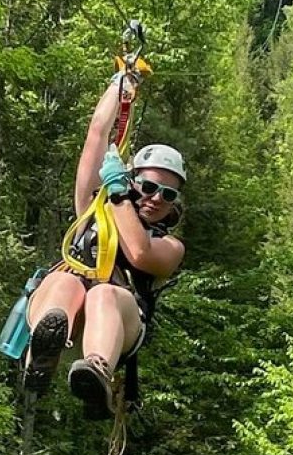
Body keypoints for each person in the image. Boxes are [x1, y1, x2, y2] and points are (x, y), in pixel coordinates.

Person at [22, 71, 186, 419]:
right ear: (133, 179)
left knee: (103, 294)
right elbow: (97, 133)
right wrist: (120, 85)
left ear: (174, 204)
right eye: (149, 186)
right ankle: (42, 351)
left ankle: (96, 370)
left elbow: (139, 252)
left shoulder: (168, 245)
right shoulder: (92, 209)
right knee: (65, 280)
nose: (156, 198)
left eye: (168, 195)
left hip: (116, 326)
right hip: (68, 313)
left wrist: (118, 194)